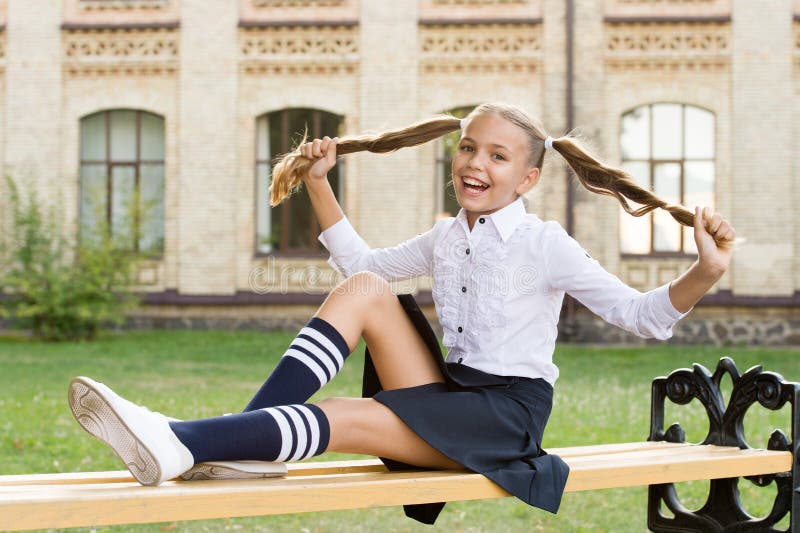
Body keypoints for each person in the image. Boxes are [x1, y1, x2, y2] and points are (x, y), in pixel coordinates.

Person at [68, 102, 735, 524]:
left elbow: (643, 314)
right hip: (452, 394)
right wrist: (321, 181)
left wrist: (704, 270)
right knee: (363, 288)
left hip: (504, 419)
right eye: (469, 148)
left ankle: (181, 439)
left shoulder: (545, 245)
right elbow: (357, 261)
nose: (476, 162)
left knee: (341, 417)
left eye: (497, 156)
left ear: (528, 178)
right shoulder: (448, 235)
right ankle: (245, 442)